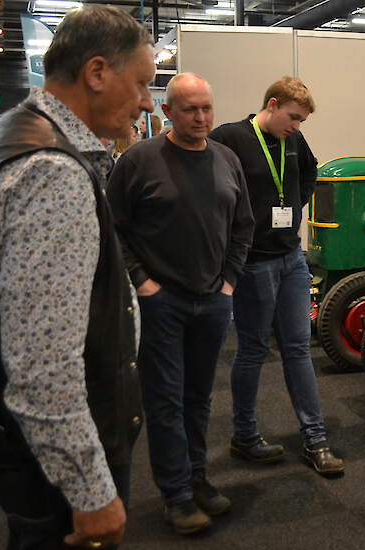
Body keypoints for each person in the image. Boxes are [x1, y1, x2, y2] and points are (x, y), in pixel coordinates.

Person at [0, 5, 154, 549]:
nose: (149, 102)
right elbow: (42, 368)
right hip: (47, 459)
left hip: (10, 433)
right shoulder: (50, 171)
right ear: (97, 72)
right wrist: (90, 492)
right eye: (144, 84)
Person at [106, 72, 254, 535]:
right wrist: (142, 283)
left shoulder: (226, 159)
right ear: (167, 111)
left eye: (207, 108)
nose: (201, 117)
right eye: (190, 109)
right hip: (161, 304)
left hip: (213, 301)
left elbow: (243, 226)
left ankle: (196, 478)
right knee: (165, 400)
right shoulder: (138, 161)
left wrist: (229, 282)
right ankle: (175, 495)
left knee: (198, 398)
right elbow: (114, 229)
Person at [209, 76, 344, 477]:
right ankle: (244, 436)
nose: (297, 127)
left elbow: (310, 172)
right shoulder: (230, 138)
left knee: (298, 348)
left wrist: (296, 203)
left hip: (291, 260)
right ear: (272, 104)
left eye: (302, 121)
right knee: (252, 350)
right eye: (293, 117)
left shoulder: (294, 142)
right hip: (252, 264)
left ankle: (315, 440)